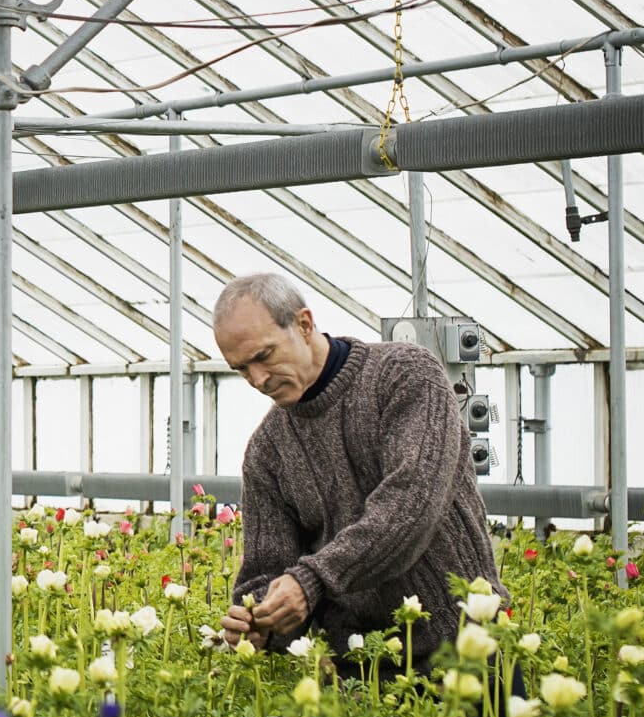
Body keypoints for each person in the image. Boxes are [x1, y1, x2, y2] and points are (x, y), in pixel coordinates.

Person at [212, 272, 499, 665]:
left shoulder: (404, 375)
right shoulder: (267, 451)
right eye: (241, 369)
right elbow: (267, 570)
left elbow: (410, 506)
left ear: (304, 324)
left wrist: (310, 581)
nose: (257, 379)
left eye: (263, 356)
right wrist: (261, 617)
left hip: (466, 642)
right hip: (358, 665)